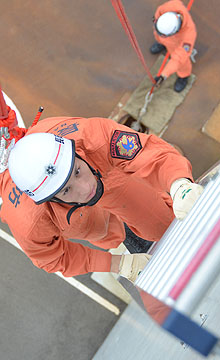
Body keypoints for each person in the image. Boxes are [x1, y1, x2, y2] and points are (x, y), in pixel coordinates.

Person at [0, 113, 203, 283]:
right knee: (104, 232)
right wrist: (117, 264)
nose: (86, 188)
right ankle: (118, 234)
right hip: (83, 218)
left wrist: (179, 185)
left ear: (76, 152)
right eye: (66, 190)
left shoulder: (91, 136)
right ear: (47, 201)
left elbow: (148, 152)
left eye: (77, 172)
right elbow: (55, 257)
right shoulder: (29, 223)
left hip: (106, 178)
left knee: (161, 221)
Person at [150, 0, 197, 92]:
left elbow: (178, 59)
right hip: (164, 36)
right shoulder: (170, 6)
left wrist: (163, 75)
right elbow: (159, 11)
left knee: (183, 63)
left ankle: (184, 76)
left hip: (176, 44)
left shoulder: (188, 37)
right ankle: (162, 43)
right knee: (160, 37)